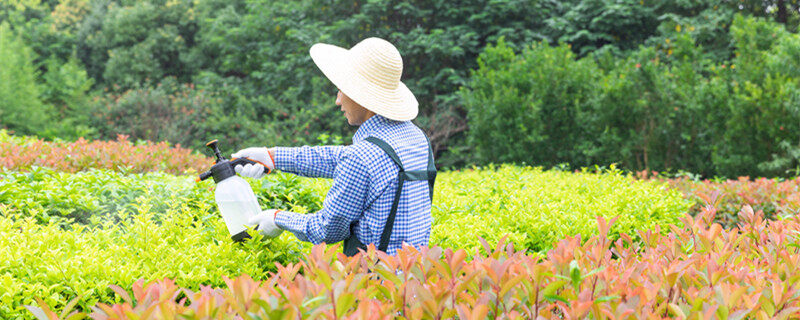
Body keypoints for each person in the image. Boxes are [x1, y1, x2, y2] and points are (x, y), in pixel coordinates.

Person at [231, 37, 436, 256]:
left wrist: (277, 218)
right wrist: (271, 156)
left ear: (362, 96)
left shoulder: (362, 157)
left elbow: (328, 228)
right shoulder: (416, 138)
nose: (338, 100)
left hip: (375, 284)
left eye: (341, 90)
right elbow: (342, 158)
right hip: (416, 278)